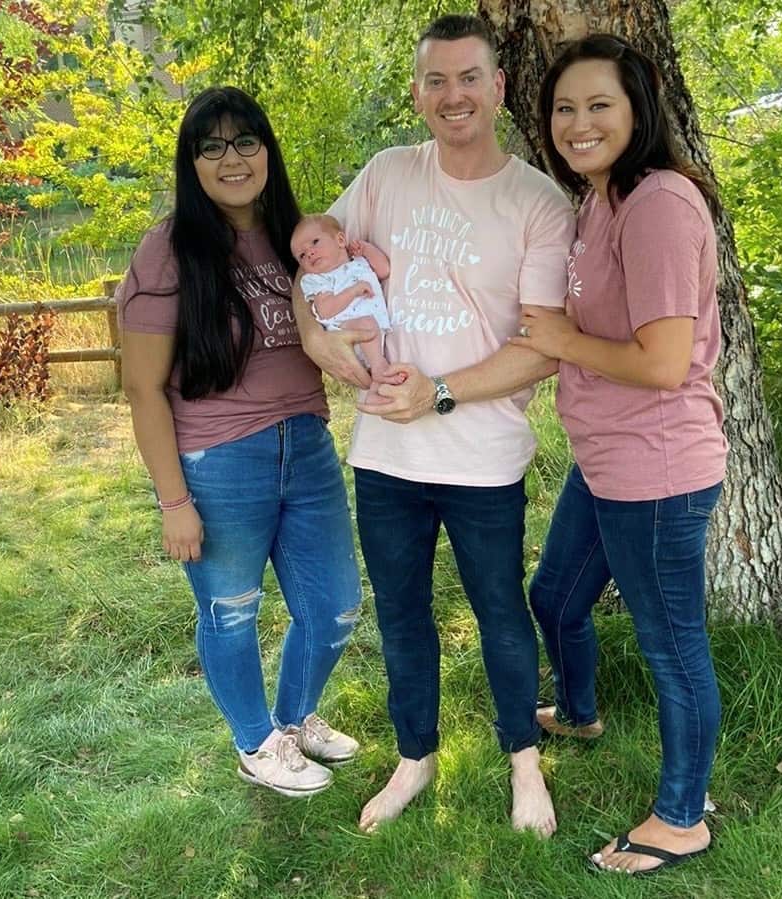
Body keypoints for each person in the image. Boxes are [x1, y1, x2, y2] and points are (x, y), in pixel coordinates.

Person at [293, 15, 575, 836]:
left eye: (467, 78)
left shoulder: (536, 201)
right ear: (417, 93)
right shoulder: (384, 175)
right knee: (401, 612)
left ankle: (524, 761)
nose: (452, 95)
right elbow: (309, 271)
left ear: (496, 88)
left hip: (483, 458)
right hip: (384, 454)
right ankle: (414, 756)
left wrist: (439, 392)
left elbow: (543, 347)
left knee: (498, 609)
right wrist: (319, 340)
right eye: (435, 81)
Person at [509, 34, 729, 874]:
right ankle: (580, 710)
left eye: (598, 103)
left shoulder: (659, 203)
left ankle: (681, 817)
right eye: (563, 107)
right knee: (556, 597)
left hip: (657, 472)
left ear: (637, 109)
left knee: (673, 647)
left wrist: (563, 339)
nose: (577, 122)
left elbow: (664, 361)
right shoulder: (601, 201)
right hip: (606, 462)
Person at [118, 86, 363, 799]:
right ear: (191, 162)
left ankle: (290, 720)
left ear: (268, 149)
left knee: (336, 606)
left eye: (246, 140)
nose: (232, 158)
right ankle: (256, 742)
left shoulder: (296, 233)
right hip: (219, 458)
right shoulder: (169, 249)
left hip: (307, 443)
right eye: (212, 146)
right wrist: (173, 500)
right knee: (231, 608)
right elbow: (141, 387)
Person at [290, 214, 397, 402]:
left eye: (315, 242)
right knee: (365, 324)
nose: (310, 253)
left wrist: (367, 249)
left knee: (367, 325)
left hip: (373, 333)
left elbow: (384, 270)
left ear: (340, 240)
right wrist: (353, 291)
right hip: (346, 335)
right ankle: (380, 368)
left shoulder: (359, 263)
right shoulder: (317, 280)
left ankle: (377, 389)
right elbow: (326, 309)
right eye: (302, 255)